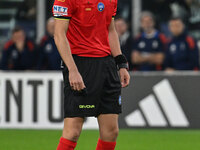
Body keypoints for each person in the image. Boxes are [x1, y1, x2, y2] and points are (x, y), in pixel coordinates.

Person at [53, 0, 130, 150]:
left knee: (111, 132)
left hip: (107, 65)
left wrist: (121, 63)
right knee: (73, 131)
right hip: (80, 64)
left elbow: (110, 29)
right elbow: (59, 35)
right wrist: (73, 70)